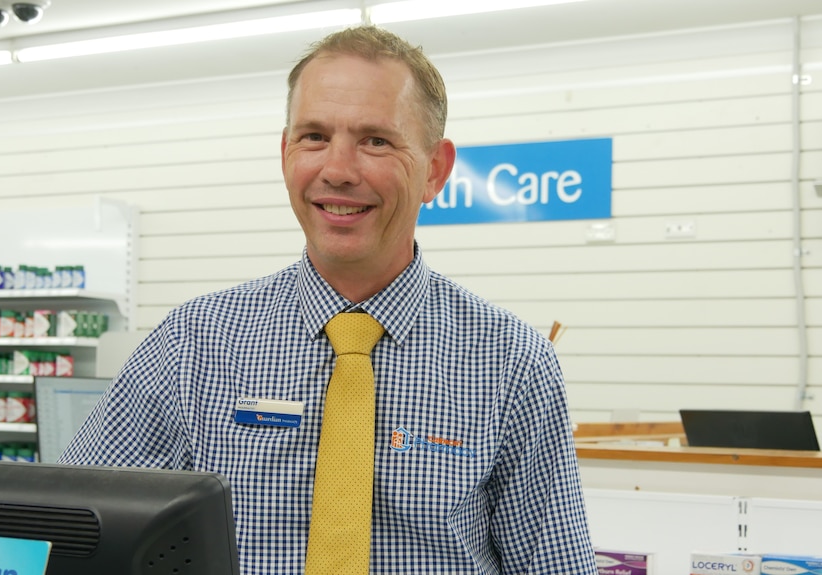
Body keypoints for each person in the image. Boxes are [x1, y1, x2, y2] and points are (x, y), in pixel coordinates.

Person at [60, 25, 598, 575]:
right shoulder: (190, 345)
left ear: (435, 169)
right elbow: (75, 534)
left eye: (376, 141)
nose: (337, 171)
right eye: (314, 136)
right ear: (285, 151)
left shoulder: (512, 362)